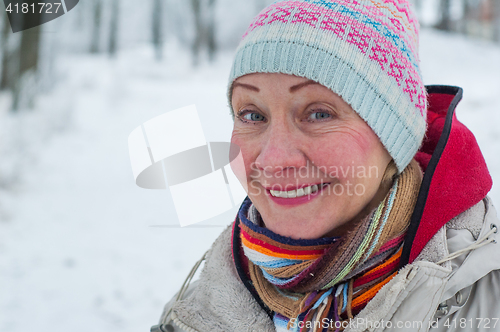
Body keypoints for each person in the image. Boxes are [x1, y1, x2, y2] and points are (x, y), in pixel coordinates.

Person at [152, 1, 500, 331]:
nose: (273, 159)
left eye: (319, 114)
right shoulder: (198, 309)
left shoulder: (485, 301)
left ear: (394, 139)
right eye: (252, 115)